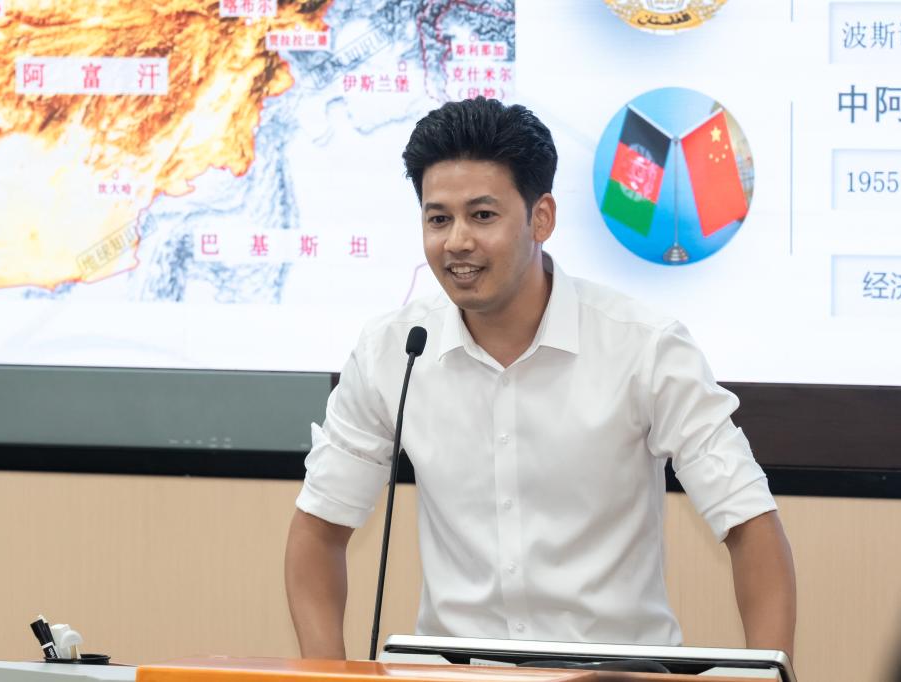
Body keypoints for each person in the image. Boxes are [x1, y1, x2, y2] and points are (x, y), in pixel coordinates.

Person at [284, 96, 796, 660]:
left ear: (542, 217)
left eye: (483, 216)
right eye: (438, 219)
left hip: (616, 675)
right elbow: (319, 530)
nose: (457, 241)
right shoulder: (394, 350)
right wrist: (327, 674)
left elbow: (749, 521)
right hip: (451, 675)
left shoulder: (644, 346)